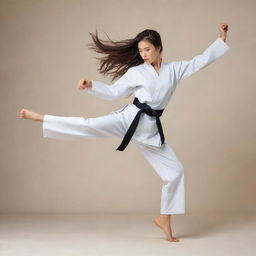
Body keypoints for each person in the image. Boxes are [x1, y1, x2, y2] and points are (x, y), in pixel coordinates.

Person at [19, 23, 230, 242]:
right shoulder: (136, 72)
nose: (143, 54)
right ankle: (43, 118)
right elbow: (113, 92)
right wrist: (92, 85)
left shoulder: (174, 70)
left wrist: (221, 38)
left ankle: (164, 219)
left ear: (159, 48)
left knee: (175, 172)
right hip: (129, 119)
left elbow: (200, 61)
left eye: (147, 49)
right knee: (89, 125)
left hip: (150, 130)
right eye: (140, 50)